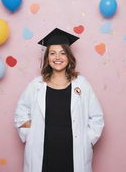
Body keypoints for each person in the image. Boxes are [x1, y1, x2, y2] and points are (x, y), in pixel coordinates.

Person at [14, 28, 104, 172]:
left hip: (73, 154)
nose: (58, 57)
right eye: (52, 53)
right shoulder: (36, 85)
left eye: (62, 53)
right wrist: (31, 135)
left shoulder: (82, 84)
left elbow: (97, 117)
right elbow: (21, 113)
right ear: (47, 58)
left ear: (68, 57)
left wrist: (87, 141)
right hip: (43, 154)